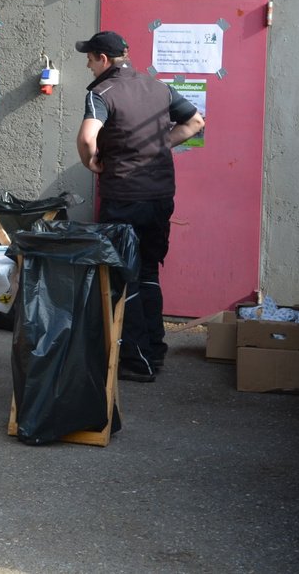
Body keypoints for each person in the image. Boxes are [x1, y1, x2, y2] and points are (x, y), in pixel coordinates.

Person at [74, 31, 205, 383]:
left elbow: (87, 137)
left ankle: (136, 360)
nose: (88, 65)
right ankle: (154, 351)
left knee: (122, 275)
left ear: (103, 59)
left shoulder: (101, 93)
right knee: (148, 271)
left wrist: (92, 161)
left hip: (124, 198)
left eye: (90, 58)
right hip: (160, 197)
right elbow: (196, 122)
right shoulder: (159, 87)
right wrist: (158, 146)